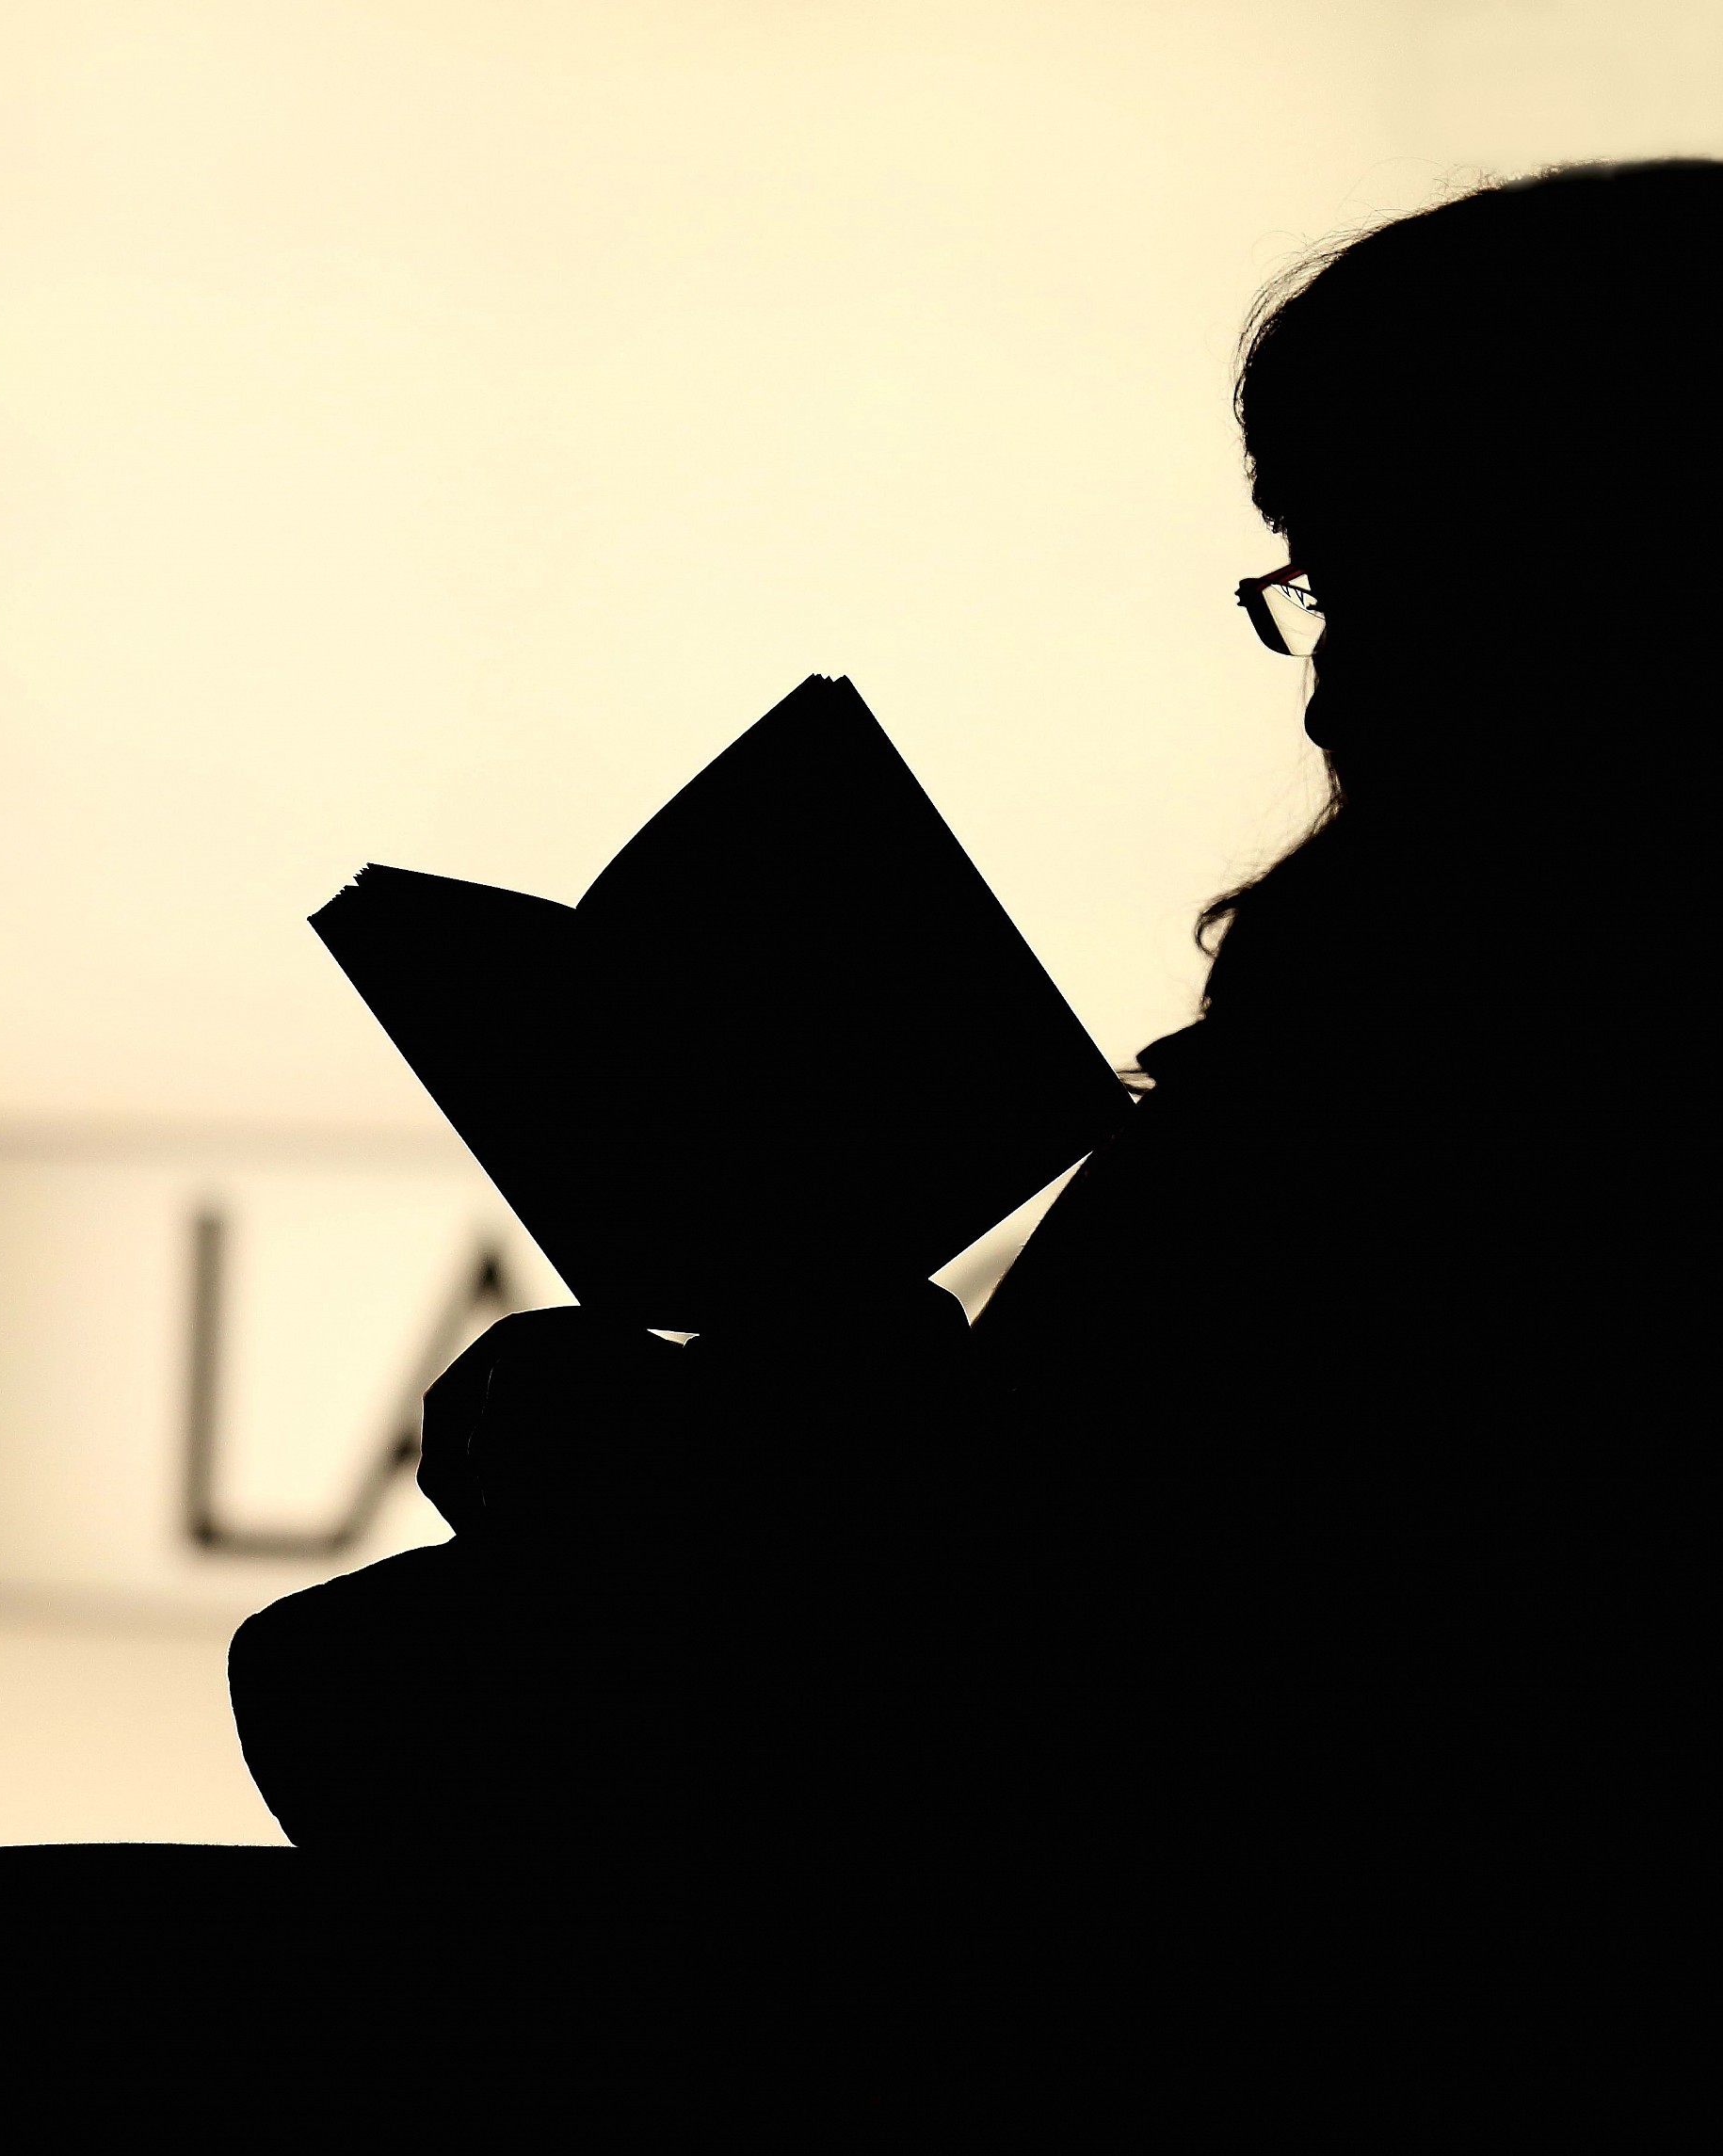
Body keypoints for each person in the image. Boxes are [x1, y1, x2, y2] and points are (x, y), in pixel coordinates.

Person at [230, 160, 1717, 2067]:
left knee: (363, 1682)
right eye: (1312, 584)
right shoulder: (1469, 1023)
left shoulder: (1481, 1065)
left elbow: (1134, 1648)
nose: (1331, 683)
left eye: (1381, 572)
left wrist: (734, 1437)